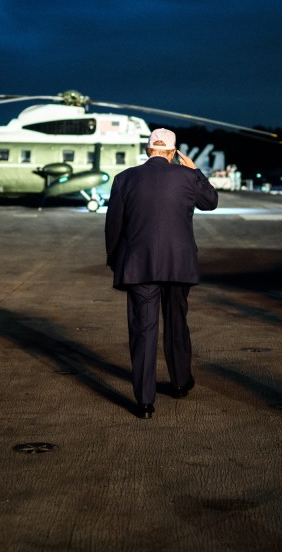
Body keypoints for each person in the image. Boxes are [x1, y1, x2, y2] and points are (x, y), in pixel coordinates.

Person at [105, 128, 218, 419]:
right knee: (177, 322)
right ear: (173, 153)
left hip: (139, 265)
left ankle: (144, 400)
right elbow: (211, 202)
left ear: (147, 151)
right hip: (179, 265)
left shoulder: (124, 178)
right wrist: (195, 170)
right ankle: (180, 383)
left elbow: (113, 225)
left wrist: (115, 260)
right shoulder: (187, 176)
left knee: (143, 331)